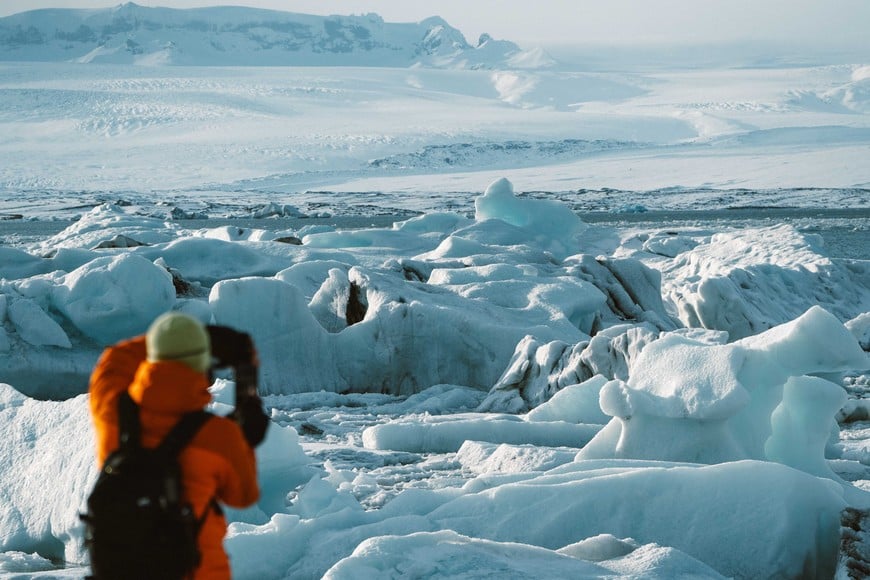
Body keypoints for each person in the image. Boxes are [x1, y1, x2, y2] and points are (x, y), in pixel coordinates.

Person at [88, 311, 266, 579]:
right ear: (203, 364)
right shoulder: (219, 435)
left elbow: (114, 360)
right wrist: (246, 440)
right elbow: (243, 496)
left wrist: (172, 339)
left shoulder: (112, 410)